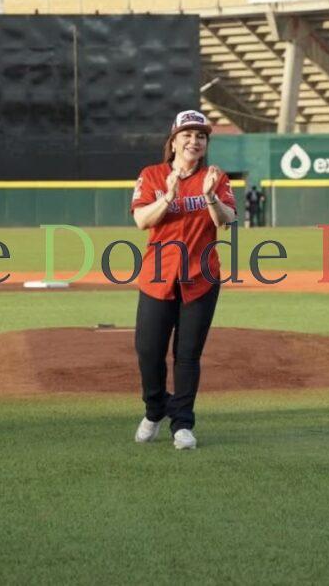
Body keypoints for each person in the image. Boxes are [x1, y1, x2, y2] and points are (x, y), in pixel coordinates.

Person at [130, 110, 237, 450]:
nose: (194, 141)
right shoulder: (151, 175)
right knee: (148, 352)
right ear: (173, 140)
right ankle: (155, 409)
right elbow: (141, 220)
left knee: (188, 355)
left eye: (201, 136)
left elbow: (227, 219)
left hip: (200, 277)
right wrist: (168, 196)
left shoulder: (215, 178)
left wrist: (210, 197)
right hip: (157, 275)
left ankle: (183, 424)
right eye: (188, 135)